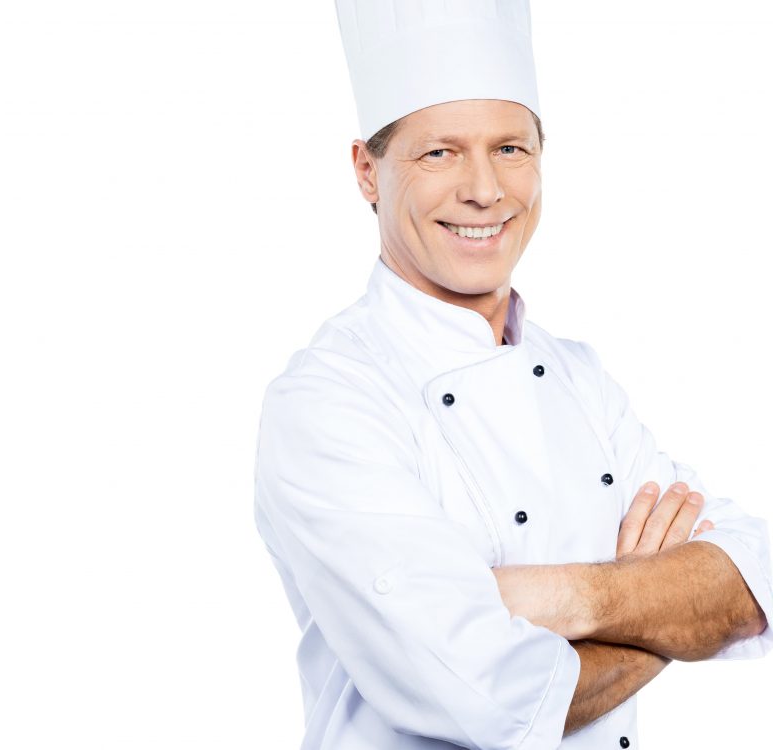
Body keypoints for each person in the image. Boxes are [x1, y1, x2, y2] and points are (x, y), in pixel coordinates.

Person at [252, 2, 773, 748]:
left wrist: (565, 596)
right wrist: (663, 611)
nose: (485, 191)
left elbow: (753, 583)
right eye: (439, 154)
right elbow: (483, 700)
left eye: (510, 149)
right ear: (368, 171)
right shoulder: (329, 404)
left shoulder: (578, 378)